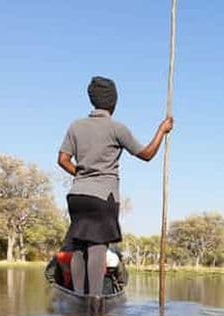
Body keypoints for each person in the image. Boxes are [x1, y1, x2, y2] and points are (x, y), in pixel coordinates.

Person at [57, 76, 174, 296]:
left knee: (79, 248)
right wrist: (162, 130)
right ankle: (95, 301)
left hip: (77, 197)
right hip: (102, 197)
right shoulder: (116, 129)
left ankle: (78, 299)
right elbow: (147, 154)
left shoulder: (76, 126)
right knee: (97, 246)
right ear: (114, 102)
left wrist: (82, 174)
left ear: (92, 100)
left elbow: (63, 160)